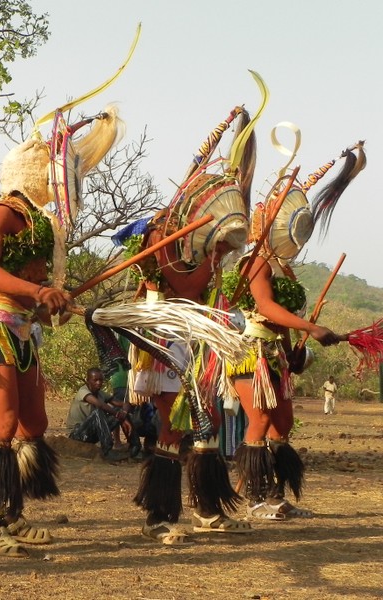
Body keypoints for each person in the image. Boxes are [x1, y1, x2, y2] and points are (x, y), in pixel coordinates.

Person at [0, 100, 123, 556]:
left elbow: (33, 291)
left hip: (22, 332)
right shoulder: (0, 214)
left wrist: (49, 302)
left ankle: (12, 514)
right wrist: (37, 292)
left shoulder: (41, 227)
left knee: (34, 423)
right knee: (3, 422)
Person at [121, 104, 261, 545]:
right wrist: (214, 257)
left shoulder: (187, 232)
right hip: (163, 337)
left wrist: (214, 256)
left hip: (190, 338)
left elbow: (198, 292)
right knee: (173, 426)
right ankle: (159, 517)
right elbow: (183, 288)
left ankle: (206, 509)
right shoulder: (161, 233)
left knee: (206, 423)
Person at [226, 141, 365, 522]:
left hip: (274, 355)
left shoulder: (282, 268)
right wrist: (312, 326)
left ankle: (276, 496)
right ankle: (256, 501)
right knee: (259, 421)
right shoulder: (253, 264)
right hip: (249, 352)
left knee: (283, 423)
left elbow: (282, 320)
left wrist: (294, 352)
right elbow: (268, 309)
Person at [67, 367, 129, 460]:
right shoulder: (83, 391)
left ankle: (135, 446)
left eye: (100, 380)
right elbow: (100, 405)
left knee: (118, 411)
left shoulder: (100, 393)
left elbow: (121, 404)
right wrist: (118, 414)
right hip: (77, 434)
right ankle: (107, 450)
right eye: (95, 380)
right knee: (98, 412)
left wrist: (124, 412)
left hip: (90, 433)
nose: (98, 383)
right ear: (88, 381)